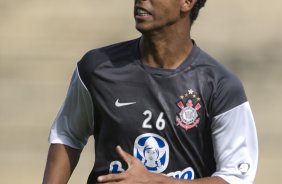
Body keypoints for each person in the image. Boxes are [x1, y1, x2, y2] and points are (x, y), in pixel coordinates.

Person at [43, 0, 258, 183]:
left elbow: (235, 178)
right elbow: (67, 136)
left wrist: (155, 181)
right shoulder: (97, 68)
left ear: (187, 2)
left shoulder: (221, 85)